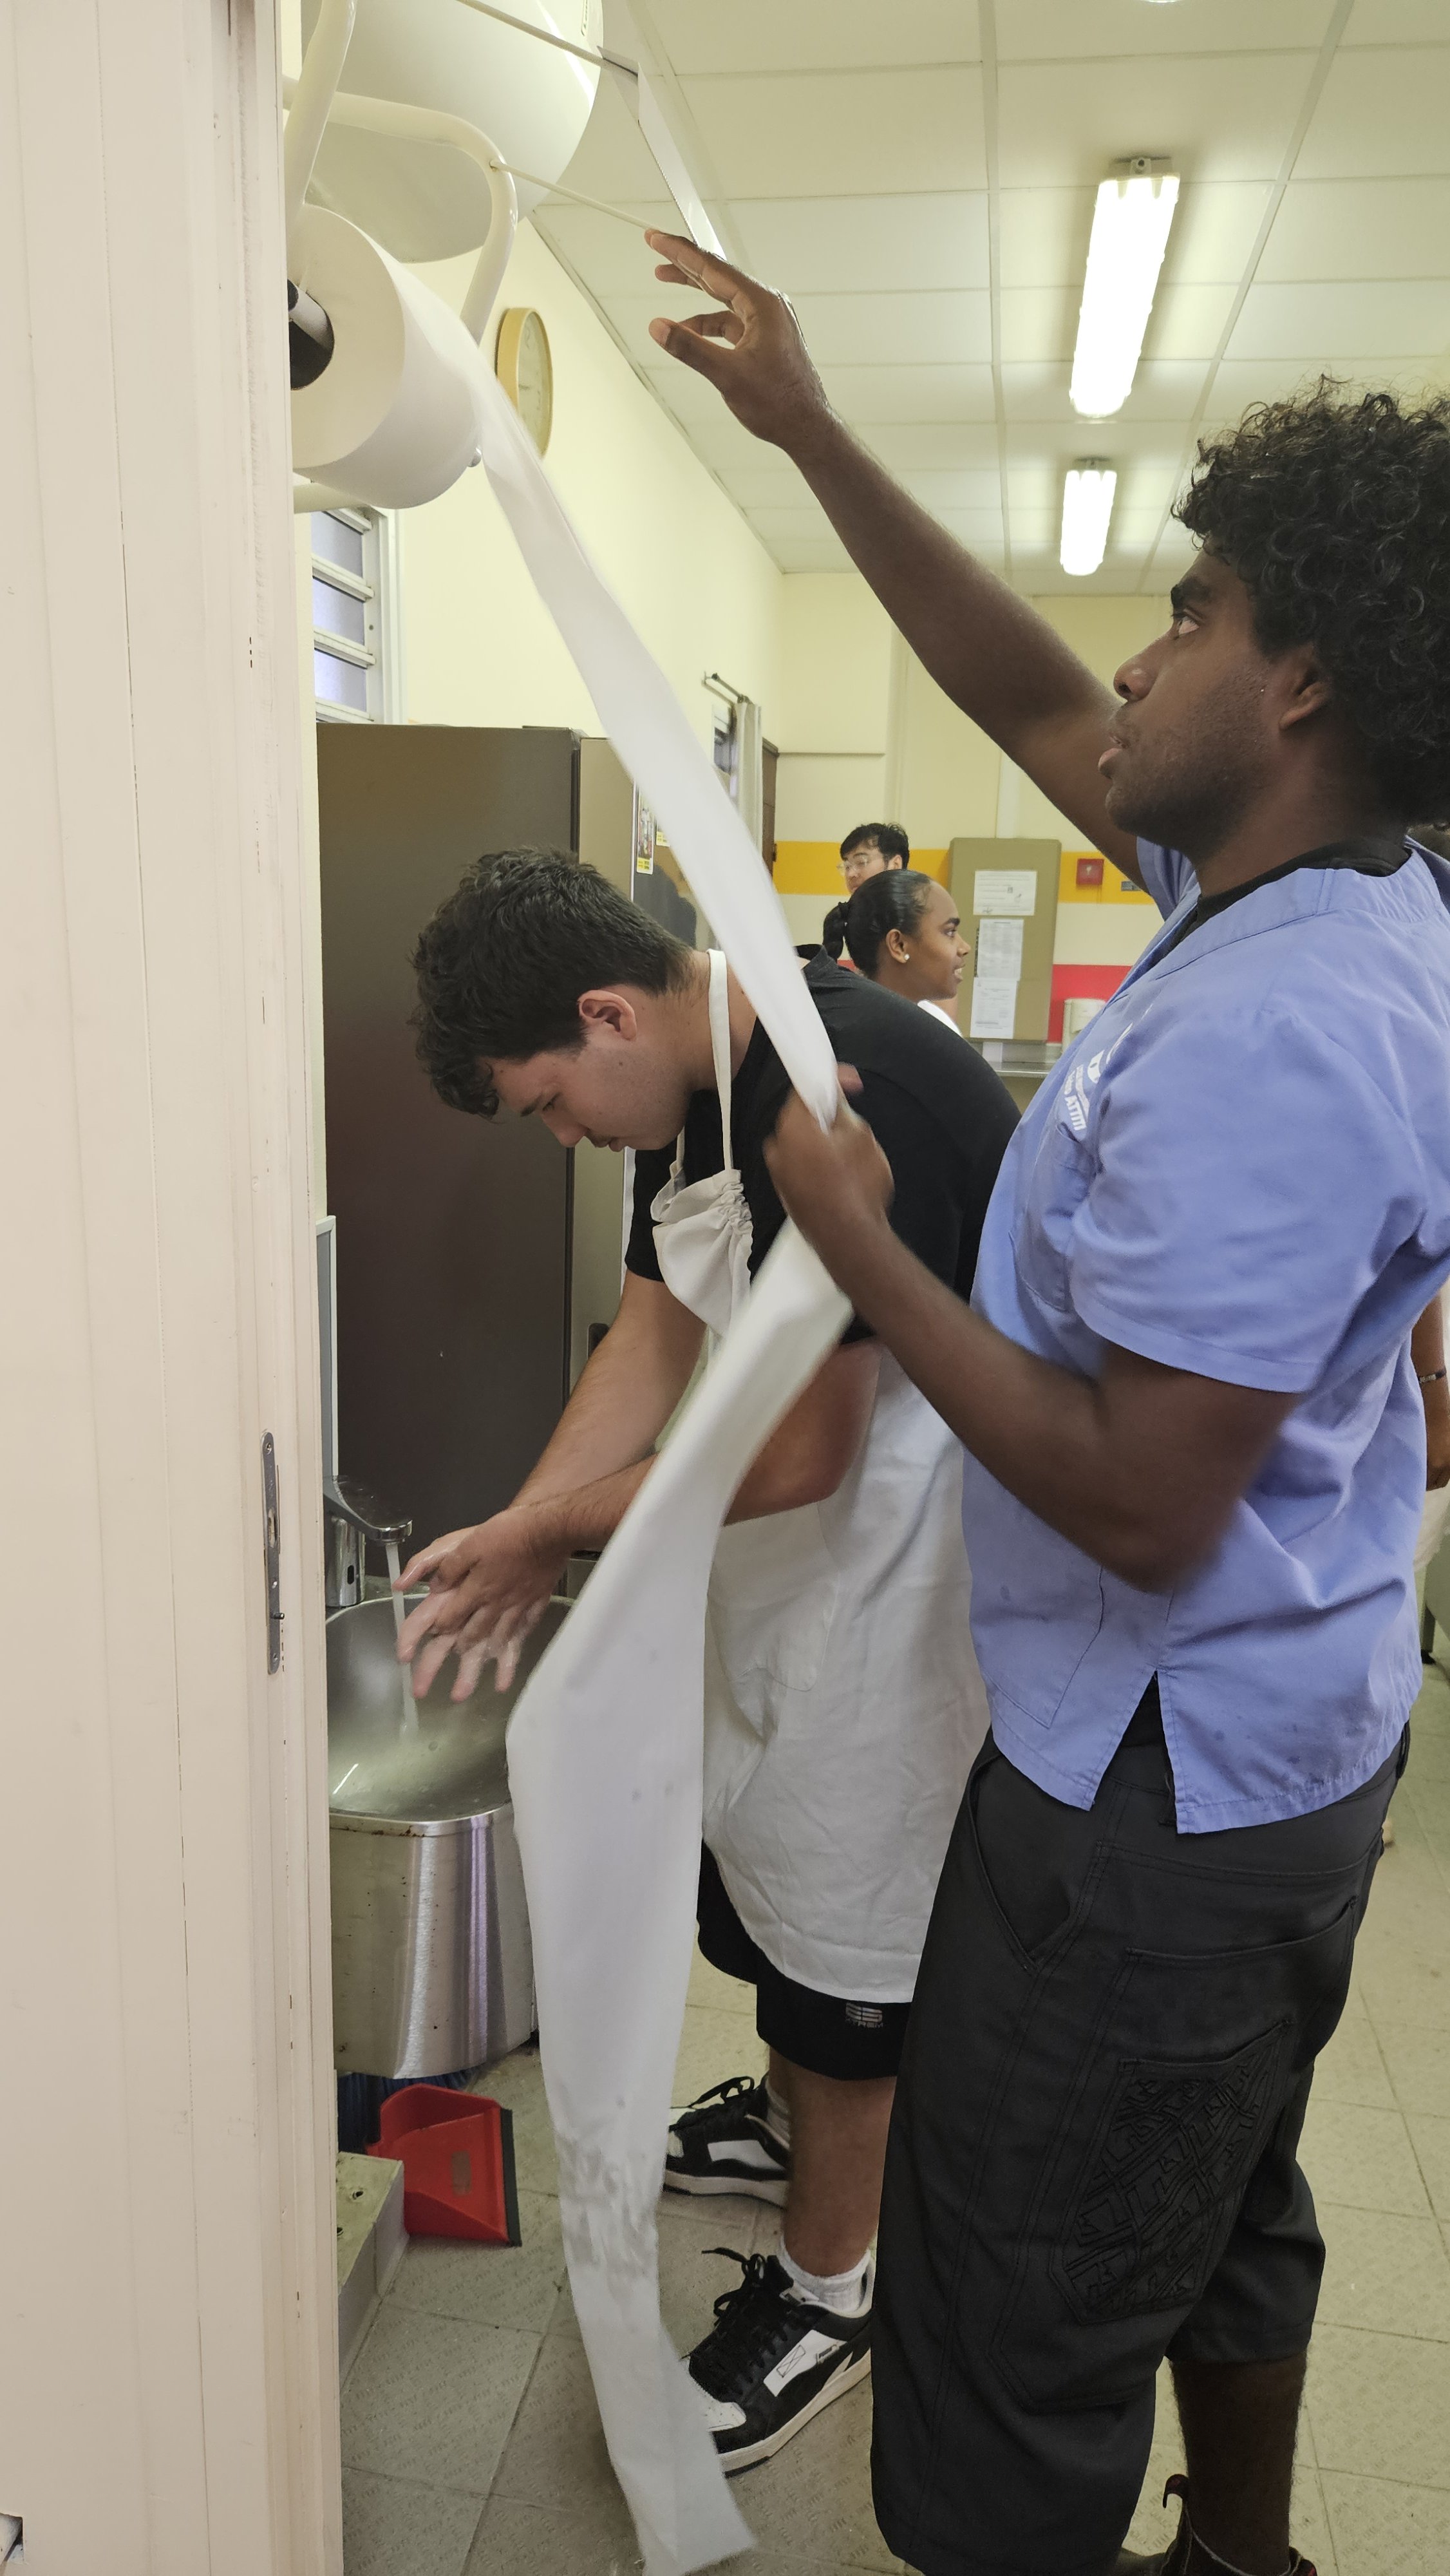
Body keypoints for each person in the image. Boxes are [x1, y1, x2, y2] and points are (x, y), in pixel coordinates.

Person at [644, 231, 1450, 2576]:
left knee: (1011, 2311)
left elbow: (1136, 1498)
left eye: (1188, 613)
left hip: (1148, 1807)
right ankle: (1245, 2552)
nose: (1133, 655)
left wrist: (859, 1230)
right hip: (1280, 1740)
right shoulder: (1313, 888)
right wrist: (807, 430)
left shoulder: (1270, 1028)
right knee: (1214, 2198)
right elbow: (1016, 683)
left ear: (1299, 674)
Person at [400, 851, 1018, 2469]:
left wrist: (559, 1534)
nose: (560, 1134)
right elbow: (653, 1334)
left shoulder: (834, 1087)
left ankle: (831, 2285)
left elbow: (810, 1447)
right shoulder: (682, 1093)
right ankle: (784, 2120)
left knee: (847, 1944)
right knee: (764, 1875)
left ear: (607, 1012)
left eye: (548, 1101)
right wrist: (518, 1532)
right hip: (774, 1562)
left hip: (898, 1573)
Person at [844, 867, 969, 1030]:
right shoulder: (864, 1032)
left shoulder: (935, 1020)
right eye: (950, 932)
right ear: (899, 945)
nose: (965, 948)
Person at [821, 819, 909, 959]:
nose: (851, 874)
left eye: (861, 862)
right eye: (847, 866)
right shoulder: (856, 920)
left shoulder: (919, 918)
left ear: (895, 865)